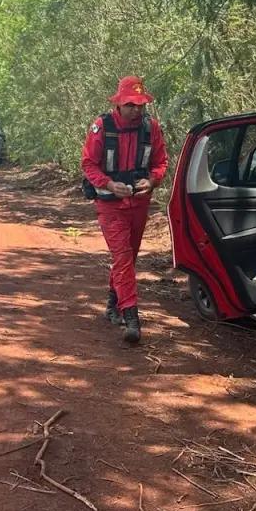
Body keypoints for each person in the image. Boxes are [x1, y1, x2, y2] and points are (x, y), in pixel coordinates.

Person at [81, 76, 169, 344]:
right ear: (119, 103)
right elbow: (88, 164)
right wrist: (108, 183)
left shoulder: (150, 128)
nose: (136, 110)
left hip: (139, 204)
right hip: (110, 205)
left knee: (128, 259)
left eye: (140, 105)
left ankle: (112, 305)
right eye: (131, 105)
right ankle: (131, 317)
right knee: (122, 257)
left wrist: (152, 180)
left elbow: (161, 162)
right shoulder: (101, 128)